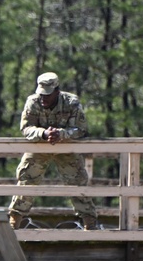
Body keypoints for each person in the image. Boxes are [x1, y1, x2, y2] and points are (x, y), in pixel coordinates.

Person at [7, 72, 99, 230]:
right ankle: (15, 219)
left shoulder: (71, 102)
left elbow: (80, 129)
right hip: (39, 146)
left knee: (77, 181)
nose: (43, 99)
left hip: (66, 146)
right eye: (41, 94)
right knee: (26, 178)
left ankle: (89, 222)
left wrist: (61, 134)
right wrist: (43, 133)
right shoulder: (33, 101)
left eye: (47, 95)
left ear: (57, 91)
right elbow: (26, 128)